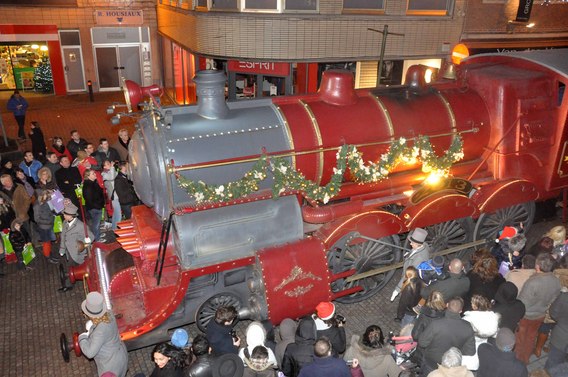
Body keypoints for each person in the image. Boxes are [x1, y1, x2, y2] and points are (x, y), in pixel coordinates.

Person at [515, 253, 561, 364]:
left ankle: (517, 360)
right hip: (540, 315)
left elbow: (522, 303)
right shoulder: (556, 281)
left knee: (520, 338)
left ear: (537, 266)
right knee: (531, 337)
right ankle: (525, 359)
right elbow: (553, 299)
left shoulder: (533, 282)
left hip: (526, 316)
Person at [417, 297, 476, 376]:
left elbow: (422, 343)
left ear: (447, 305)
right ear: (461, 310)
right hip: (450, 367)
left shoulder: (436, 324)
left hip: (431, 362)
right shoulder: (468, 327)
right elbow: (470, 351)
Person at [78, 291, 128, 377]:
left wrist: (82, 338)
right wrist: (91, 328)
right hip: (120, 355)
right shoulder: (109, 313)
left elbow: (90, 353)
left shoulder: (100, 332)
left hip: (110, 366)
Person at [58, 202, 94, 289]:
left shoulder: (80, 226)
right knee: (71, 267)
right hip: (68, 251)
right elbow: (63, 236)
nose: (64, 216)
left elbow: (91, 236)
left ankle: (70, 284)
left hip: (77, 252)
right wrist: (62, 249)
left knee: (75, 269)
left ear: (71, 216)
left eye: (65, 214)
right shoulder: (65, 223)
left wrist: (88, 240)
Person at [460, 295, 500, 371]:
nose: (471, 304)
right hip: (482, 350)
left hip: (467, 350)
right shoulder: (492, 318)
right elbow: (495, 334)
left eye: (472, 303)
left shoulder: (468, 319)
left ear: (475, 306)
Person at [392, 228, 430, 302]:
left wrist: (397, 289)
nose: (410, 244)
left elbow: (408, 275)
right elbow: (415, 251)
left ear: (418, 244)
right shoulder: (423, 245)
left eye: (412, 243)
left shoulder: (419, 258)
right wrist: (409, 255)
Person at [34, 167, 58, 261]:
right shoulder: (38, 189)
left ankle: (49, 254)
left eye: (47, 174)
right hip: (44, 220)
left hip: (49, 217)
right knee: (46, 241)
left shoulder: (51, 184)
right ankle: (48, 256)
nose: (46, 175)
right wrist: (39, 221)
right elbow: (38, 208)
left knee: (48, 239)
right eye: (44, 174)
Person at [545, 291, 568, 374]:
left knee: (552, 362)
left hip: (560, 337)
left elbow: (553, 314)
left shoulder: (564, 297)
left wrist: (561, 321)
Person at [82, 169, 105, 241]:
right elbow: (89, 199)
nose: (95, 174)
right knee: (96, 224)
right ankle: (97, 239)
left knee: (97, 223)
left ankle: (97, 234)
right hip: (94, 208)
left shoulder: (92, 183)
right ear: (88, 176)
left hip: (97, 206)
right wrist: (98, 206)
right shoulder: (88, 186)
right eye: (93, 174)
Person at [102, 160, 121, 230]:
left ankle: (114, 228)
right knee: (118, 213)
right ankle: (117, 230)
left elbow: (116, 175)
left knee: (116, 213)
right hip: (114, 196)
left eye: (109, 163)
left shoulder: (111, 171)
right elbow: (112, 177)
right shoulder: (104, 174)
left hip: (117, 195)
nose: (110, 164)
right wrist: (112, 167)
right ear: (104, 167)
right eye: (107, 164)